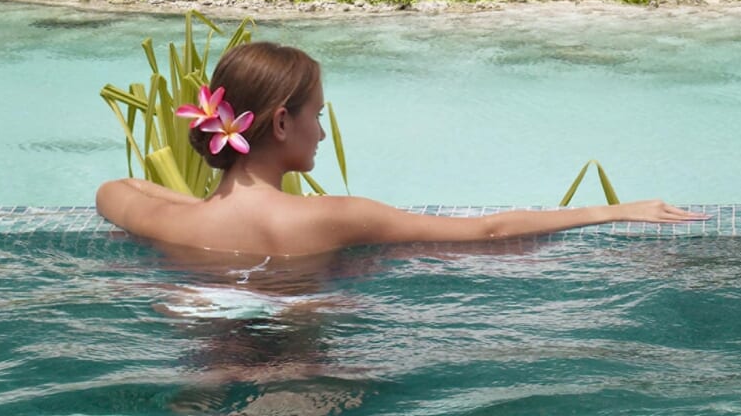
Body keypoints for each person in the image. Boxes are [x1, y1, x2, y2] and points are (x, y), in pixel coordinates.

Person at [96, 40, 704, 256]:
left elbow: (112, 192)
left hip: (211, 364)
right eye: (318, 116)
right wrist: (613, 209)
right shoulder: (336, 218)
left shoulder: (175, 225)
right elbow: (489, 234)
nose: (323, 132)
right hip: (303, 372)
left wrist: (189, 205)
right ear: (280, 124)